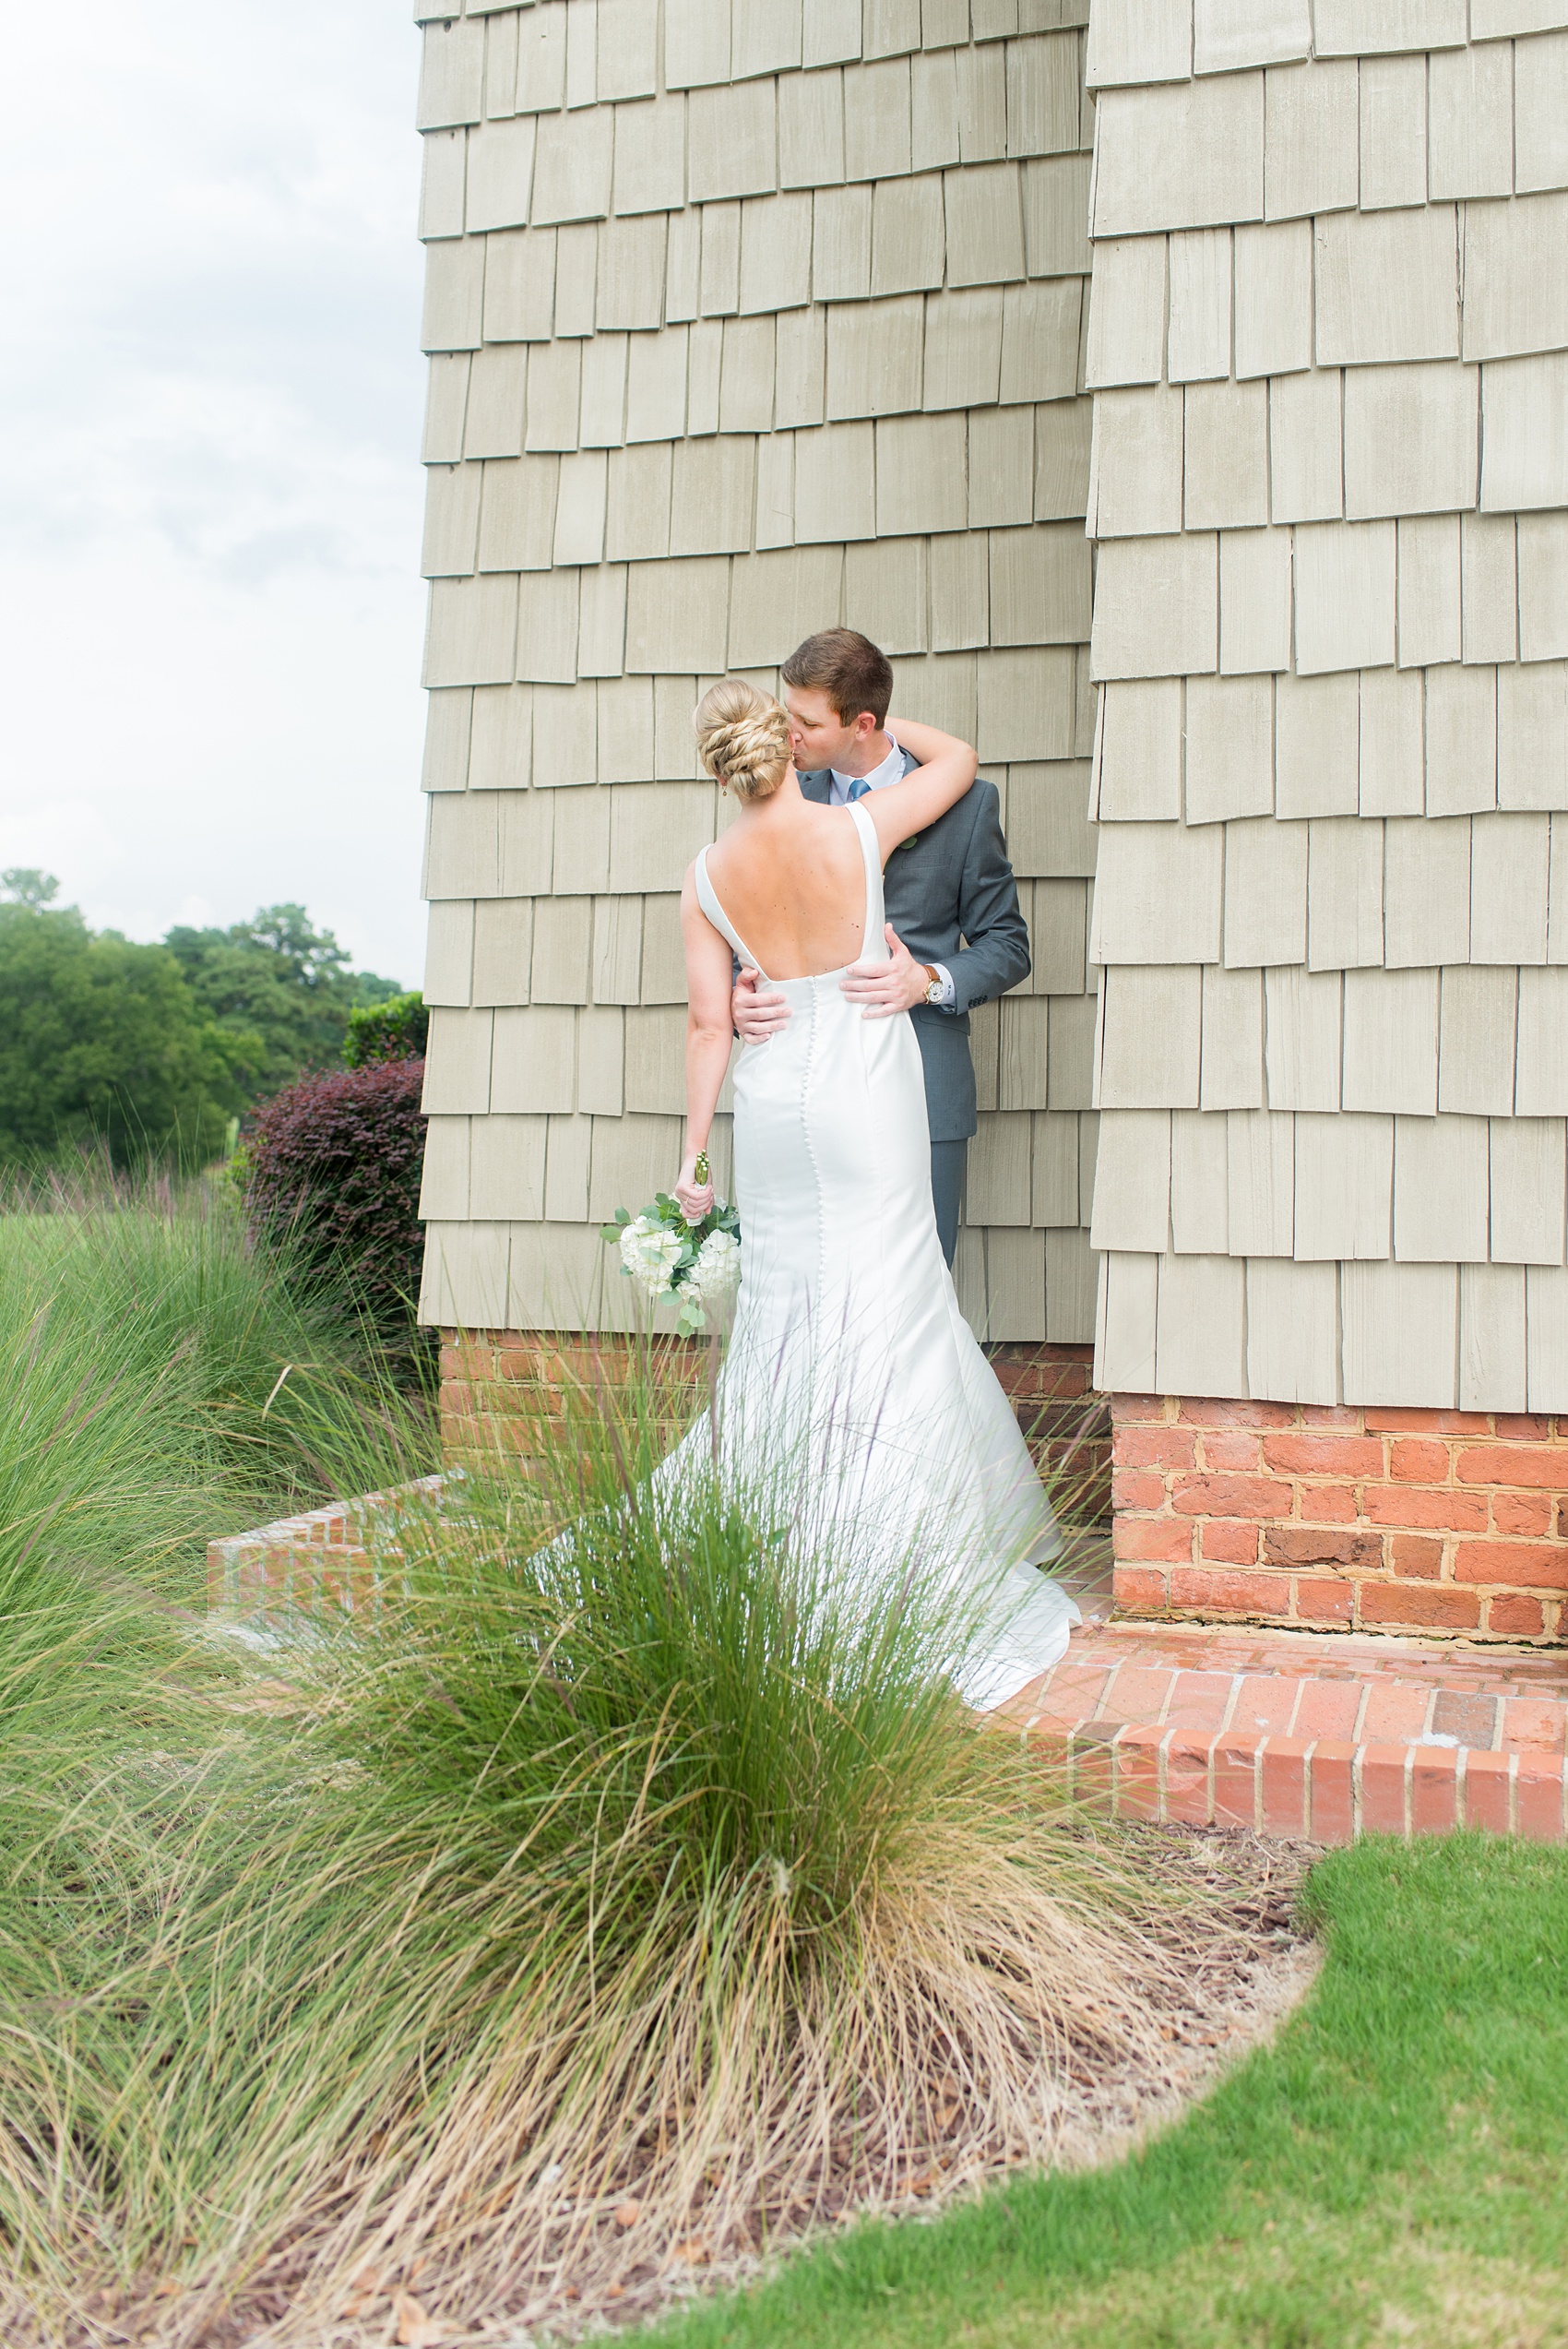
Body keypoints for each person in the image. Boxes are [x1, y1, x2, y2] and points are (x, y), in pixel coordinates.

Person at [666, 678, 1078, 1713]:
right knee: (889, 1299)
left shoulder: (705, 875)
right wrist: (873, 728)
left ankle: (774, 1527)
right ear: (784, 746)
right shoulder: (855, 830)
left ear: (716, 766)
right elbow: (959, 759)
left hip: (770, 1107)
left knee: (784, 1309)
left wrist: (691, 1159)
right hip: (861, 1091)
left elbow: (710, 1027)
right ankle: (884, 1541)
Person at [731, 629, 1030, 1268]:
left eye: (806, 722)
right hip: (811, 1088)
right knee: (819, 1279)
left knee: (917, 1283)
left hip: (923, 1079)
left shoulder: (967, 804)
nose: (788, 736)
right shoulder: (779, 797)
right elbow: (749, 917)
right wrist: (741, 993)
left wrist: (928, 980)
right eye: (786, 716)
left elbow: (1007, 944)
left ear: (862, 723)